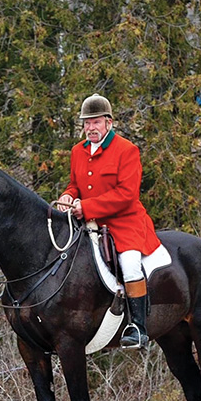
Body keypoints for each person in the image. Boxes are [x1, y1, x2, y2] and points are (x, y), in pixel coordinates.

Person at [57, 94, 161, 349]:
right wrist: (67, 196)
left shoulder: (127, 150)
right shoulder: (77, 151)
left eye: (96, 122)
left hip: (124, 222)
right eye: (86, 123)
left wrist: (87, 207)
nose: (90, 128)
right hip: (88, 223)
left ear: (109, 123)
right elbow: (75, 185)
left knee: (130, 264)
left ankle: (138, 328)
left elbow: (127, 195)